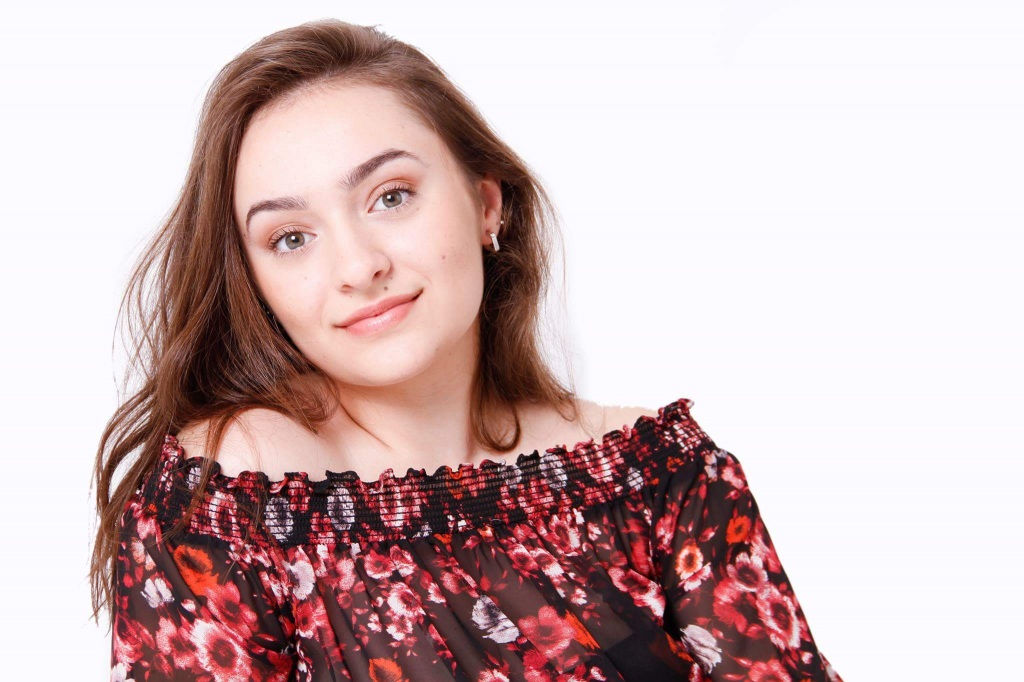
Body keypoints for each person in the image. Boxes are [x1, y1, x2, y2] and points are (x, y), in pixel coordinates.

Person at [91, 19, 842, 682]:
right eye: (291, 238)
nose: (358, 267)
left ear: (486, 202)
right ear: (256, 282)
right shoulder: (232, 495)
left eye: (391, 196)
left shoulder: (659, 475)